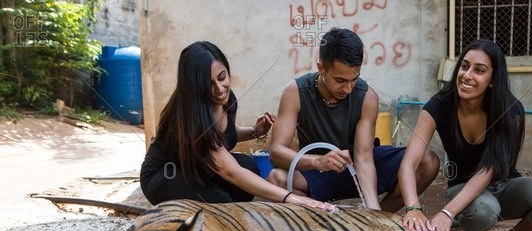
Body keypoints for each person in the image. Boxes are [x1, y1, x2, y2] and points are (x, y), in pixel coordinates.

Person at [398, 39, 532, 231]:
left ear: (492, 80)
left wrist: (447, 213)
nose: (467, 75)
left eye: (479, 70)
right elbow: (409, 163)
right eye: (464, 66)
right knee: (482, 211)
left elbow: (489, 168)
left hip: (504, 184)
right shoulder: (439, 106)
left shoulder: (511, 110)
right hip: (462, 189)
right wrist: (412, 208)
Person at [140, 41, 335, 212]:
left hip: (195, 169)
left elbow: (225, 132)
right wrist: (291, 197)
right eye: (208, 84)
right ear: (194, 86)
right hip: (164, 176)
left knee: (249, 167)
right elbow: (232, 172)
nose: (219, 88)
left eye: (222, 77)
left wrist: (254, 132)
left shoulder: (224, 100)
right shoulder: (193, 118)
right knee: (221, 203)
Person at [267, 28, 438, 212]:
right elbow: (276, 153)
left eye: (354, 80)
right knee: (277, 179)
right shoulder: (295, 92)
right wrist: (318, 161)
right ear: (321, 68)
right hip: (318, 173)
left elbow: (364, 158)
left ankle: (375, 221)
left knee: (427, 161)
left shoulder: (367, 97)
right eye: (340, 80)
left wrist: (374, 211)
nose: (348, 89)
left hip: (359, 168)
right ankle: (320, 222)